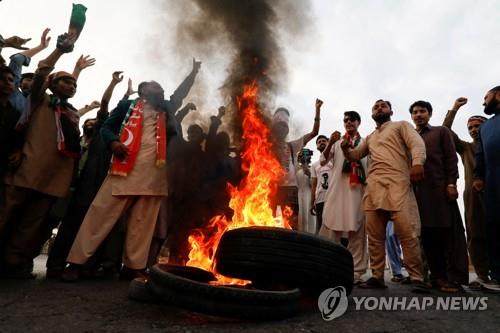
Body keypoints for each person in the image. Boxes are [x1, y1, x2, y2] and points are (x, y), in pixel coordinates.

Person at [63, 59, 201, 281]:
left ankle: (133, 267)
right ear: (143, 90)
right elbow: (107, 127)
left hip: (155, 175)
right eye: (156, 86)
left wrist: (193, 73)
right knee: (99, 216)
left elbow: (180, 94)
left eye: (162, 88)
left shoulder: (166, 108)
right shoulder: (128, 106)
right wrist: (114, 143)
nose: (161, 89)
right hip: (123, 170)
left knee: (142, 224)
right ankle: (76, 263)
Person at [0, 33, 80, 278]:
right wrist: (59, 51)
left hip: (52, 181)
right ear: (53, 85)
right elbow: (43, 71)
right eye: (66, 82)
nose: (71, 85)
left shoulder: (72, 114)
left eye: (74, 84)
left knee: (30, 226)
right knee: (4, 215)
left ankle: (12, 266)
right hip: (25, 170)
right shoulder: (39, 100)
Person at [341, 99, 427, 293]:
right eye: (375, 106)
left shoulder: (401, 126)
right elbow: (355, 156)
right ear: (372, 113)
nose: (379, 108)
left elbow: (417, 143)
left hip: (398, 184)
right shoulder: (370, 137)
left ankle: (417, 277)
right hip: (373, 188)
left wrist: (417, 163)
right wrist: (345, 148)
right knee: (375, 236)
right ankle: (377, 276)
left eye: (383, 105)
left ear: (391, 111)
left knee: (408, 233)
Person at [46, 71, 124, 278]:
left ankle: (85, 267)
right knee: (69, 228)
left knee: (93, 231)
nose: (91, 125)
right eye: (88, 123)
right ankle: (55, 265)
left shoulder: (124, 142)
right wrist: (113, 82)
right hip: (84, 190)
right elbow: (106, 104)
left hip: (103, 192)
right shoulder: (101, 131)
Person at [410, 100, 468, 292]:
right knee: (427, 236)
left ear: (429, 114)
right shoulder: (409, 138)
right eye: (415, 112)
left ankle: (455, 279)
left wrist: (451, 183)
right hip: (418, 195)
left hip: (441, 191)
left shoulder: (440, 132)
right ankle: (437, 277)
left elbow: (451, 159)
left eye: (422, 111)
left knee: (449, 235)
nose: (418, 115)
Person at [443, 97, 490, 289]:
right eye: (470, 127)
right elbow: (446, 132)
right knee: (475, 233)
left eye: (477, 126)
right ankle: (482, 275)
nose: (473, 129)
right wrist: (454, 109)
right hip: (472, 196)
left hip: (494, 192)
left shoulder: (494, 145)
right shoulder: (467, 148)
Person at [319, 111, 368, 284]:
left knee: (357, 229)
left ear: (359, 122)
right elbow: (323, 161)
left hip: (358, 191)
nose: (348, 122)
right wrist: (331, 141)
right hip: (337, 190)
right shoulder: (337, 143)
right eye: (345, 120)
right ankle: (330, 267)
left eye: (352, 119)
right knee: (333, 226)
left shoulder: (365, 142)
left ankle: (357, 271)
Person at [271, 99, 323, 230]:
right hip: (273, 190)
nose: (282, 128)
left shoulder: (292, 145)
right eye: (279, 125)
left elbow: (314, 133)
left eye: (284, 126)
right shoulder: (264, 146)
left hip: (291, 190)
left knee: (292, 225)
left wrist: (317, 110)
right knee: (269, 222)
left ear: (287, 130)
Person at [473, 85, 500, 292]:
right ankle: (497, 277)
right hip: (493, 183)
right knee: (493, 226)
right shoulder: (485, 127)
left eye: (486, 97)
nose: (484, 101)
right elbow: (480, 154)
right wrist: (478, 176)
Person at [310, 135, 333, 234]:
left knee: (333, 225)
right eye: (319, 142)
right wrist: (312, 202)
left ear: (328, 143)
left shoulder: (334, 160)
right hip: (320, 199)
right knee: (320, 226)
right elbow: (314, 185)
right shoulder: (315, 165)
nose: (321, 142)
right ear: (317, 146)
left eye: (324, 141)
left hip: (333, 197)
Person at [296, 148, 315, 233]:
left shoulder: (312, 169)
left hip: (309, 194)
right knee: (301, 215)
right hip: (300, 195)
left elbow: (314, 184)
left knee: (309, 215)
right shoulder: (298, 171)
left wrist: (309, 173)